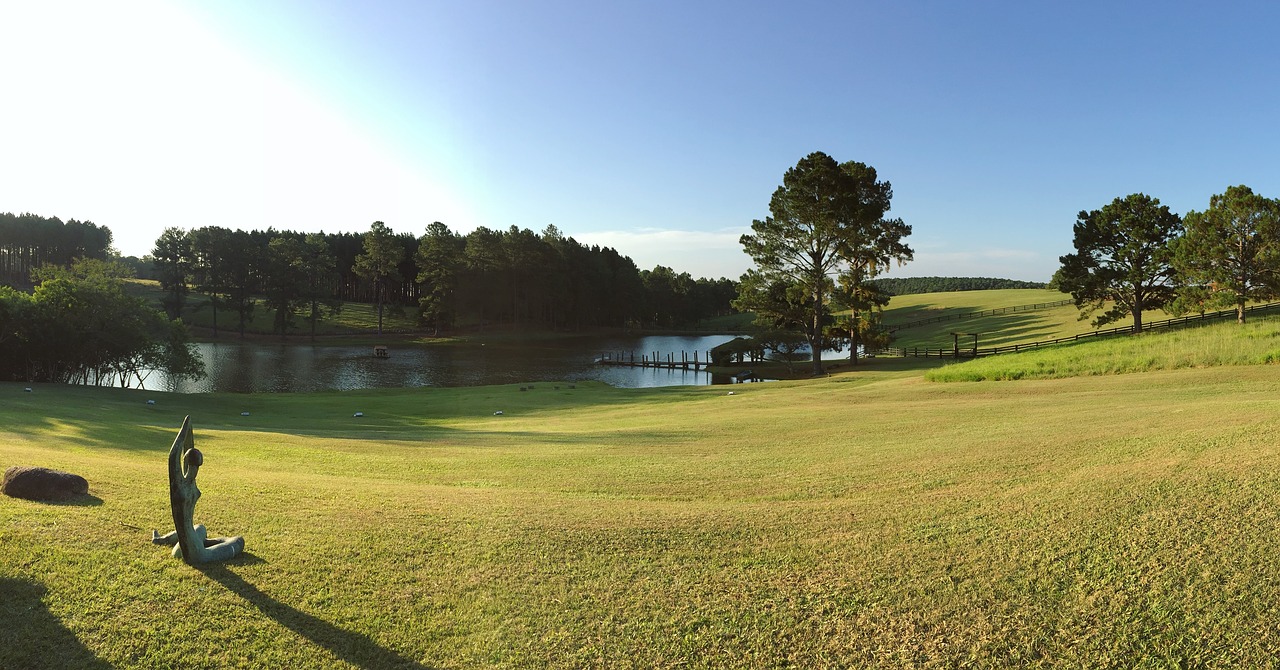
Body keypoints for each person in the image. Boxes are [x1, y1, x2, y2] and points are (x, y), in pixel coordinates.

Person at [151, 416, 244, 564]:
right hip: (198, 555)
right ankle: (204, 543)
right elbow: (173, 456)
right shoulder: (180, 485)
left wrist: (189, 431)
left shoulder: (189, 482)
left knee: (200, 528)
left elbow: (187, 448)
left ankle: (161, 540)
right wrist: (184, 430)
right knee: (239, 541)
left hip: (180, 550)